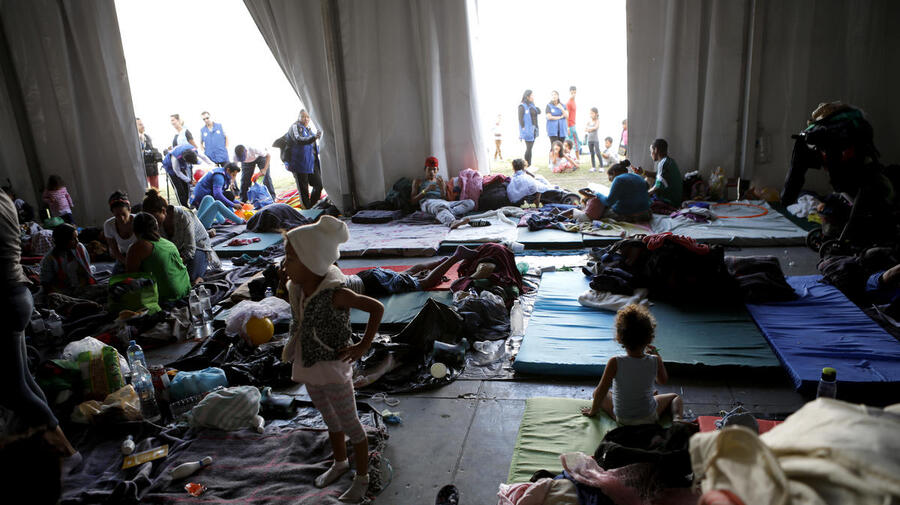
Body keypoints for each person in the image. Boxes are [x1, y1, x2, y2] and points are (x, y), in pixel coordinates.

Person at [280, 216, 384, 502]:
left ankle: (362, 479)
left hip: (333, 371)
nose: (284, 264)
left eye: (290, 258)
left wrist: (363, 345)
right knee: (330, 420)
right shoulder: (298, 290)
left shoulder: (336, 294)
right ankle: (340, 463)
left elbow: (376, 308)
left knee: (351, 425)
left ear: (312, 261)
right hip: (309, 368)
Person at [0, 189, 78, 469]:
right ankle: (48, 448)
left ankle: (66, 452)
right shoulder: (4, 199)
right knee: (24, 380)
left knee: (13, 389)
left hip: (5, 300)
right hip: (18, 293)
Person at [581, 304, 683, 424]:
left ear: (619, 338)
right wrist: (657, 357)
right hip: (649, 417)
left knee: (597, 393)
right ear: (650, 338)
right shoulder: (655, 360)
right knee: (675, 396)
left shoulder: (615, 362)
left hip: (622, 418)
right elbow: (662, 381)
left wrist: (593, 411)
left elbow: (601, 390)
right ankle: (677, 419)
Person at [143, 189, 220, 284]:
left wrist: (173, 263)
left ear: (163, 211)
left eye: (155, 217)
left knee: (190, 278)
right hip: (177, 251)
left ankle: (201, 276)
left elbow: (190, 249)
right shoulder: (154, 222)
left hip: (198, 247)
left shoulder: (183, 216)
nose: (153, 221)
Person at [345, 246, 478, 297]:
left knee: (424, 283)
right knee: (407, 272)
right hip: (366, 275)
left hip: (374, 283)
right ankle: (438, 263)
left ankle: (457, 256)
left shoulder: (333, 292)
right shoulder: (331, 278)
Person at [126, 212, 191, 303]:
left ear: (135, 231)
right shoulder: (168, 243)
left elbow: (131, 276)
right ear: (156, 227)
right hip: (185, 287)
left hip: (169, 295)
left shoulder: (137, 247)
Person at [411, 156, 474, 229]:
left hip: (443, 202)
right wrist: (426, 190)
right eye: (429, 170)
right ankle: (452, 222)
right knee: (440, 207)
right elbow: (413, 201)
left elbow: (444, 198)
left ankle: (443, 215)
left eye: (434, 169)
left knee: (470, 202)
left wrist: (442, 189)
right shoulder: (418, 181)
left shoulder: (440, 181)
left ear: (437, 170)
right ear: (425, 169)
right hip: (428, 202)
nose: (432, 172)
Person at [580, 160, 651, 222]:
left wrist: (597, 193)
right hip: (646, 213)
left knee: (599, 211)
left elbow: (608, 202)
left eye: (610, 179)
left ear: (613, 173)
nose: (612, 182)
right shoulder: (637, 176)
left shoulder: (619, 179)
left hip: (631, 215)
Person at [39, 224, 95, 294]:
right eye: (73, 239)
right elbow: (45, 282)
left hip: (82, 287)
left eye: (77, 237)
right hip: (63, 290)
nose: (77, 241)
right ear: (63, 241)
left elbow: (86, 270)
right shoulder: (50, 259)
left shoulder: (80, 248)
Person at [284, 110, 324, 209]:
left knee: (319, 185)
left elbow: (313, 146)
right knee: (304, 191)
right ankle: (307, 210)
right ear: (298, 117)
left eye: (307, 117)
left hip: (311, 163)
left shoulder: (309, 129)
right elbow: (299, 140)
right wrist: (314, 138)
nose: (305, 119)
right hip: (299, 164)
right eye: (303, 117)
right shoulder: (295, 127)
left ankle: (313, 206)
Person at [190, 163, 245, 228]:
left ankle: (223, 220)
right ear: (228, 170)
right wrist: (233, 204)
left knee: (209, 198)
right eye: (233, 175)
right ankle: (239, 221)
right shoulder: (219, 176)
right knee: (218, 203)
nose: (233, 177)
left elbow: (219, 192)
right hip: (200, 225)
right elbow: (217, 194)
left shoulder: (220, 172)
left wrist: (237, 202)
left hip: (199, 220)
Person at [103, 191, 136, 274]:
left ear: (130, 210)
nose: (121, 218)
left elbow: (147, 244)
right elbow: (115, 251)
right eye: (117, 215)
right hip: (123, 256)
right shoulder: (109, 225)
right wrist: (126, 263)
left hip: (142, 254)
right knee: (116, 280)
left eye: (124, 214)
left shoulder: (139, 221)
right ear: (113, 213)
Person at [647, 138, 683, 206]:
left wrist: (646, 194)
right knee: (649, 179)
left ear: (656, 150)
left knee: (643, 203)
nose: (650, 154)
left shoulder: (662, 163)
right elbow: (658, 175)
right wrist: (642, 172)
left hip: (669, 201)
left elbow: (657, 185)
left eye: (651, 151)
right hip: (677, 200)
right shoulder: (670, 161)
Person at [517, 90, 541, 166]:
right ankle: (527, 165)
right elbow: (520, 119)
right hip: (527, 129)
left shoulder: (532, 105)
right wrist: (523, 129)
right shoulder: (522, 106)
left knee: (530, 148)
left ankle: (528, 164)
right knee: (529, 147)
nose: (533, 97)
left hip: (534, 129)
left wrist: (535, 106)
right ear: (527, 96)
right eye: (532, 95)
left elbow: (539, 112)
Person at [137, 118, 160, 188]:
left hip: (152, 167)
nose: (143, 126)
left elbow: (151, 148)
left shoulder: (148, 137)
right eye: (140, 124)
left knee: (155, 190)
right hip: (142, 168)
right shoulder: (134, 138)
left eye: (142, 124)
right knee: (145, 189)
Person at [566, 86, 580, 156]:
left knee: (574, 142)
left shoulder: (574, 101)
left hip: (573, 124)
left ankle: (575, 158)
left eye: (574, 92)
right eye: (572, 93)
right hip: (571, 125)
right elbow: (567, 116)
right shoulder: (568, 103)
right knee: (574, 142)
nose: (573, 94)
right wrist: (568, 127)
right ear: (569, 92)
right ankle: (577, 159)